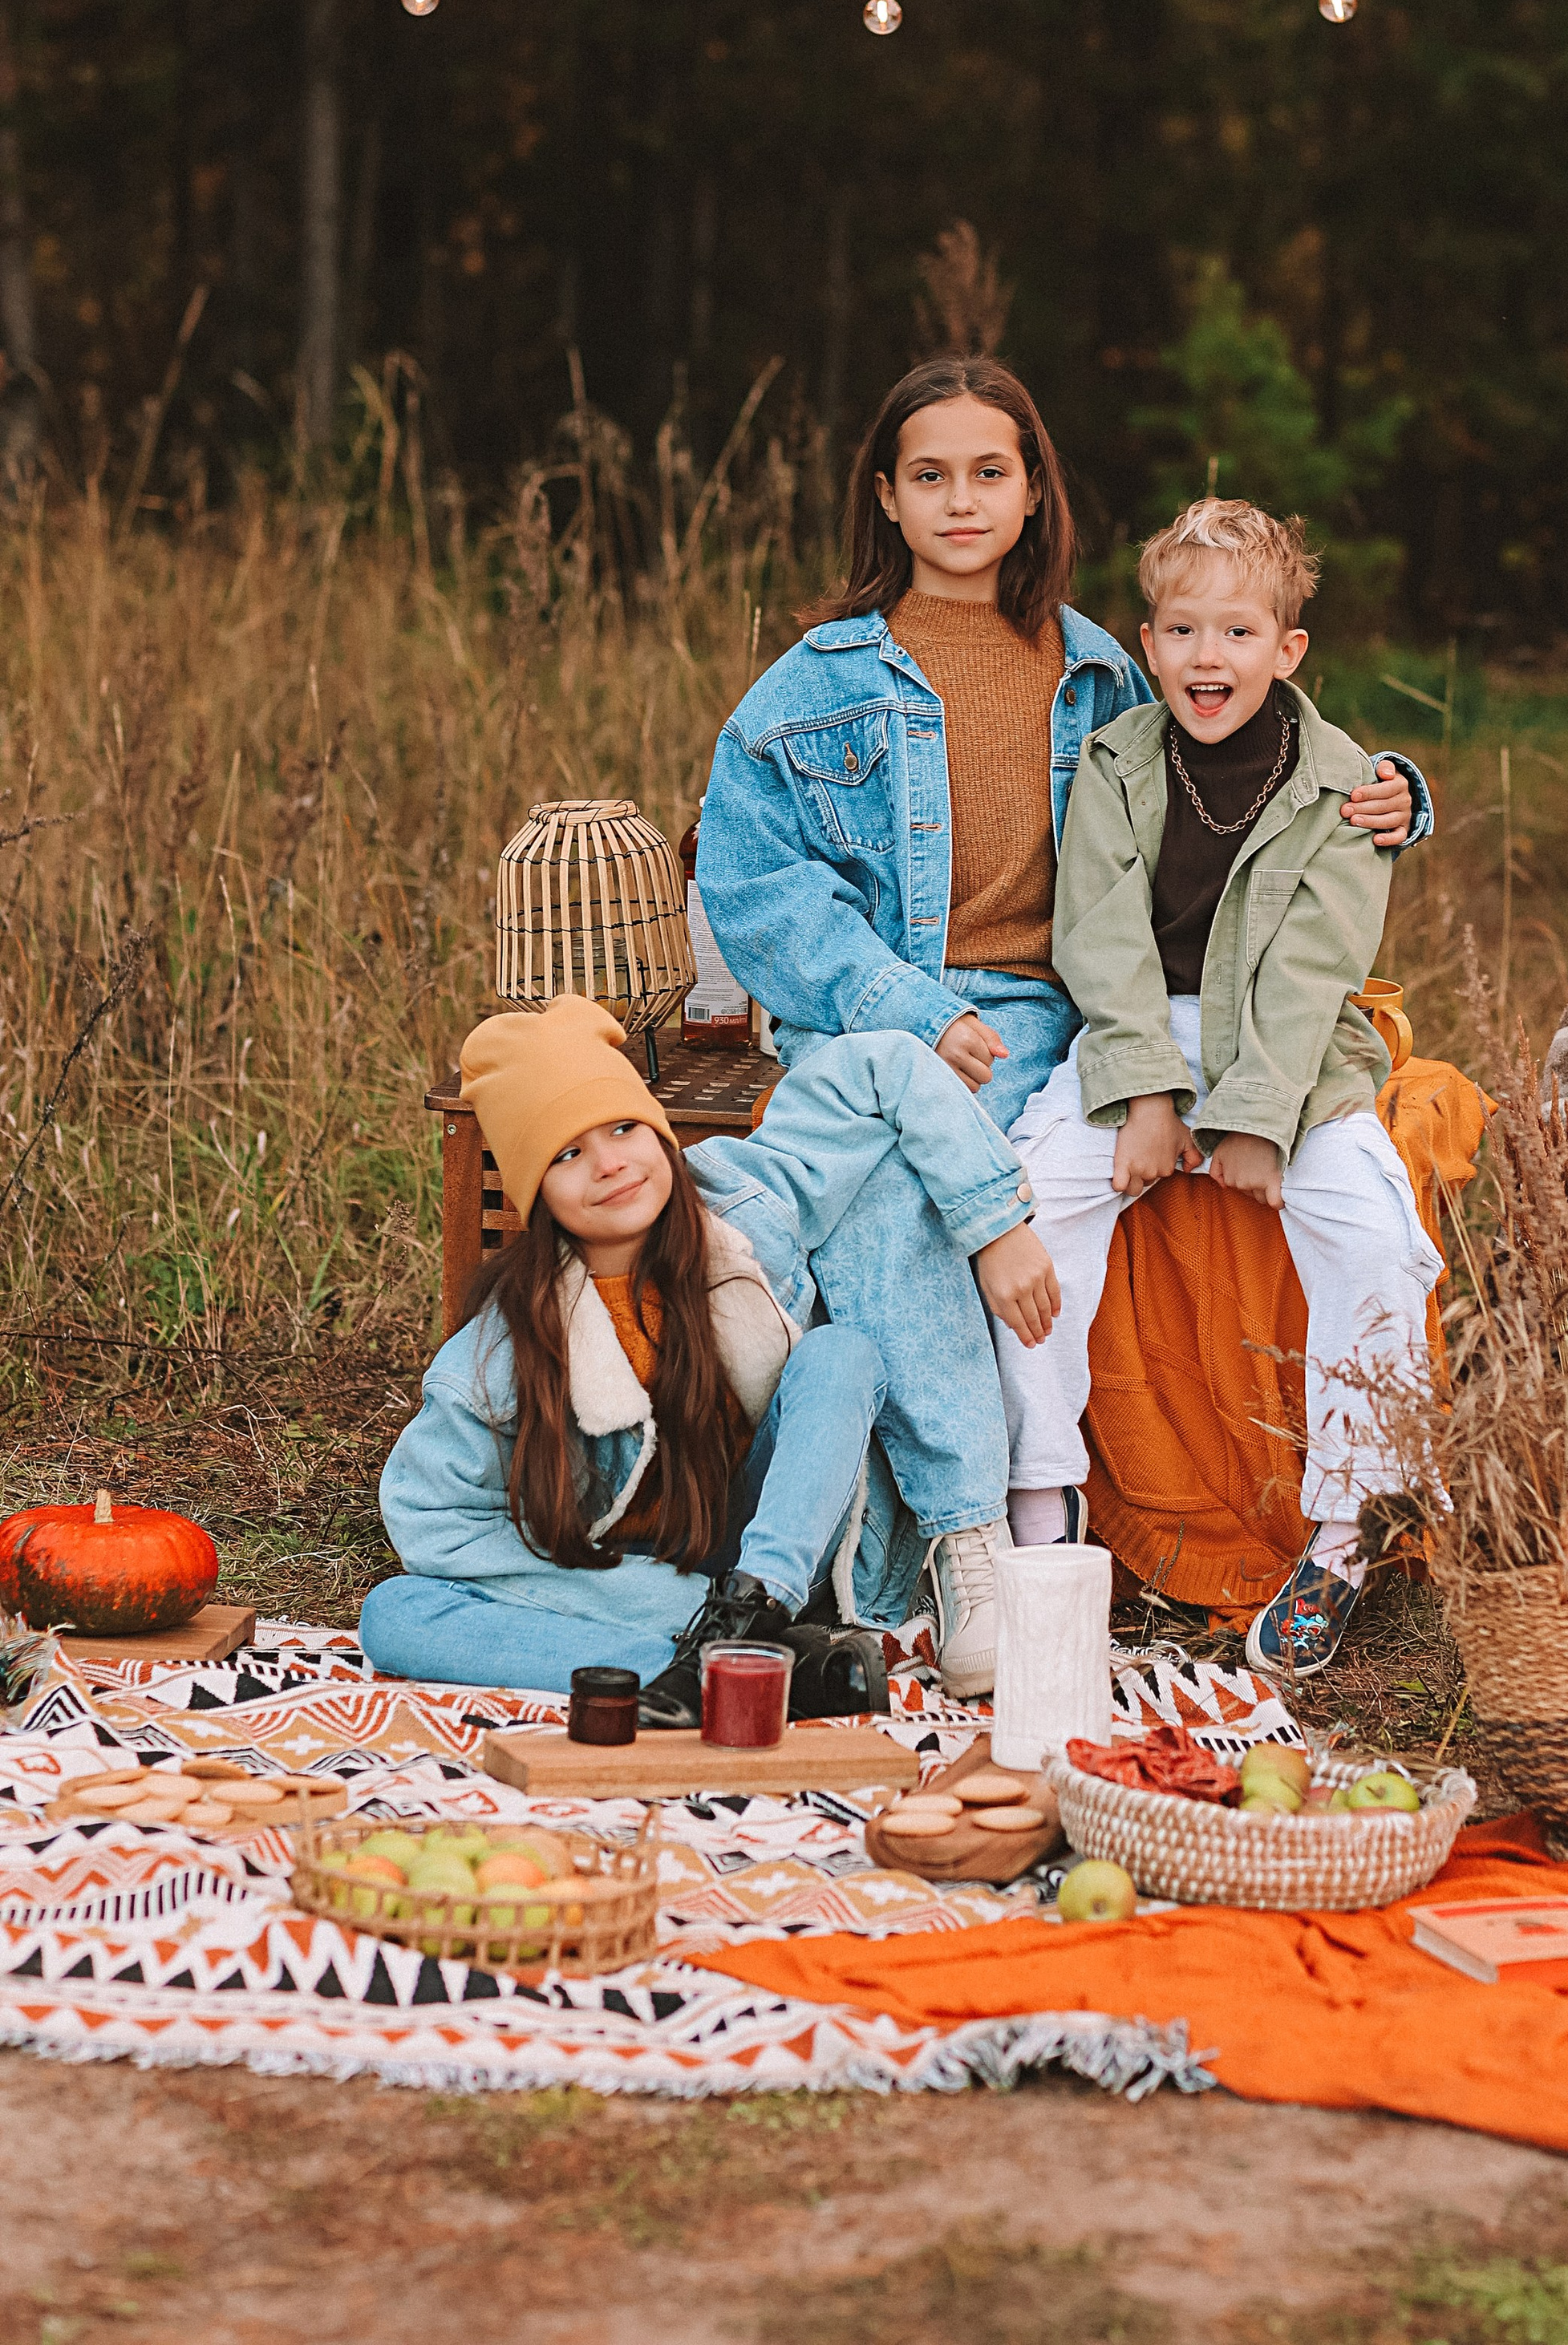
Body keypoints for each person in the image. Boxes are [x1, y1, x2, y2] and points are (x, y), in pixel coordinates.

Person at [695, 354, 1428, 1654]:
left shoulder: (1099, 671)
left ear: (1034, 493)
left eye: (992, 473)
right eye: (931, 476)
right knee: (890, 1184)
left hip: (1048, 1012)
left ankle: (973, 1547)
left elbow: (1261, 738)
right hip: (893, 1017)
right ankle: (949, 1519)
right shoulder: (820, 679)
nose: (962, 502)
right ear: (886, 497)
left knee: (957, 1205)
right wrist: (904, 1004)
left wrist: (1396, 794)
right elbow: (754, 880)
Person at [1007, 496, 1445, 1679]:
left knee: (1372, 1226)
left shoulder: (1346, 784)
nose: (1212, 659)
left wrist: (1252, 1121)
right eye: (1186, 633)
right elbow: (1099, 935)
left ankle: (1344, 1531)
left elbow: (1318, 964)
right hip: (1139, 1031)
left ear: (1287, 649)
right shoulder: (1115, 765)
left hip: (1289, 1052)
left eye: (1240, 634)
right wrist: (1148, 1096)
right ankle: (1043, 1506)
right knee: (1034, 1209)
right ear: (1146, 645)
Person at [360, 993, 1048, 1715]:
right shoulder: (508, 1345)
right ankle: (738, 1670)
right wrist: (663, 1601)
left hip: (777, 1555)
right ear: (538, 1193)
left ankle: (754, 1621)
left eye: (624, 1127)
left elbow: (881, 1066)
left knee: (840, 1354)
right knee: (396, 1613)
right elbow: (432, 1520)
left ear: (657, 1132)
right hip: (639, 1591)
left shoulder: (744, 1205)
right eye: (567, 1153)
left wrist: (996, 1223)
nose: (610, 1165)